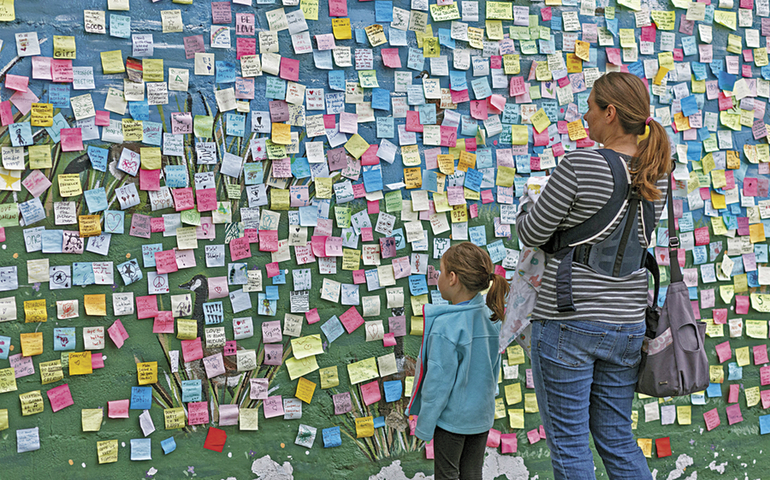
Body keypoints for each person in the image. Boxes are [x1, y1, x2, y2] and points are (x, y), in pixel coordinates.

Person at [515, 72, 672, 480]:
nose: (585, 116)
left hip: (570, 320)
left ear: (611, 112)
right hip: (627, 325)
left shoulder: (581, 163)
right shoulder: (657, 174)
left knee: (569, 445)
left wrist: (526, 206)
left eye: (590, 107)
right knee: (618, 439)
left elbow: (532, 234)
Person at [407, 242, 510, 480]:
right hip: (481, 418)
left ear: (452, 278)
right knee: (473, 473)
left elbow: (437, 382)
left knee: (447, 474)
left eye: (441, 271)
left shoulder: (446, 326)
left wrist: (424, 425)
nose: (437, 277)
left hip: (452, 420)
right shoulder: (493, 318)